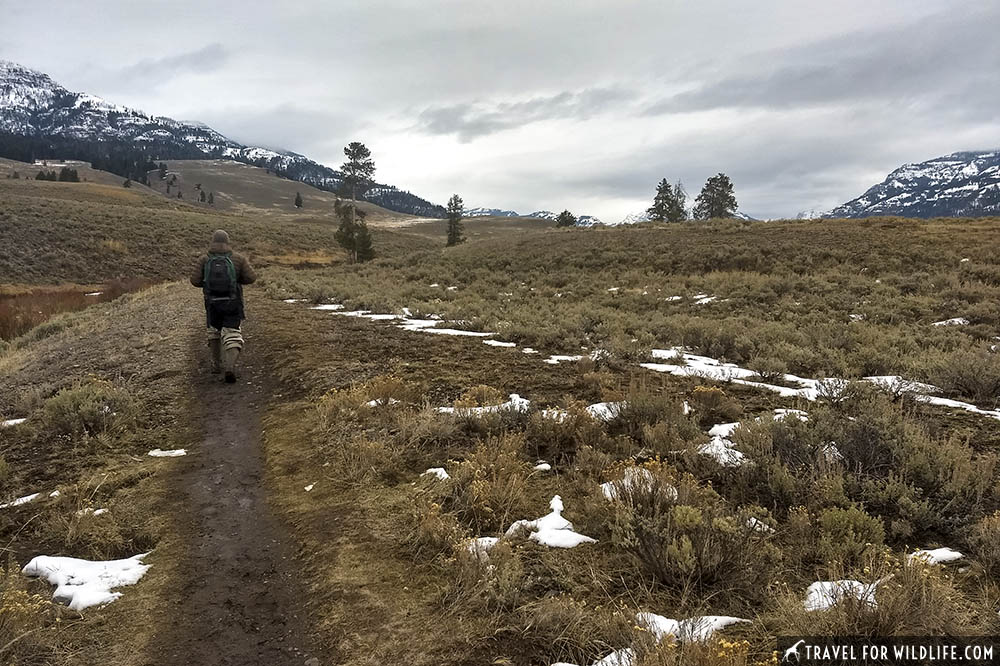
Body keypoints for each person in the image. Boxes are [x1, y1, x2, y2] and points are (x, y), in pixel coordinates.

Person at [190, 230, 257, 383]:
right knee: (232, 333)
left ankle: (216, 365)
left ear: (212, 241)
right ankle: (230, 367)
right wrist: (236, 281)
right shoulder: (238, 258)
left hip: (211, 302)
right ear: (228, 241)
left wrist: (208, 285)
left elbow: (194, 281)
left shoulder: (204, 259)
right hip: (233, 302)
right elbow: (251, 278)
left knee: (214, 331)